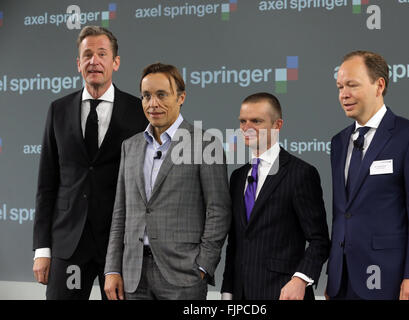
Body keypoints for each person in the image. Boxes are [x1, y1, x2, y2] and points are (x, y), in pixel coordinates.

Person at [32, 26, 148, 300]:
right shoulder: (58, 110)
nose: (93, 61)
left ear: (115, 62)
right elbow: (46, 184)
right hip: (68, 244)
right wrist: (42, 249)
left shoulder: (139, 111)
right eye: (87, 55)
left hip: (118, 246)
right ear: (78, 63)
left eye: (101, 54)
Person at [103, 63, 232, 300]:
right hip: (133, 276)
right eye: (146, 96)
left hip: (184, 277)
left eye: (161, 95)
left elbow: (218, 210)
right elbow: (120, 213)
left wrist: (203, 266)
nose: (153, 103)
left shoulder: (205, 144)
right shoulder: (129, 147)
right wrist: (112, 268)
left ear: (181, 97)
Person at [326, 50, 409, 300]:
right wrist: (333, 275)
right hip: (342, 281)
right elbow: (342, 213)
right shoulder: (339, 142)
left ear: (379, 85)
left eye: (352, 85)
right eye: (340, 86)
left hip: (388, 279)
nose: (343, 94)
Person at [221, 92, 330, 300]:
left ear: (277, 125)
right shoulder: (237, 177)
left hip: (284, 293)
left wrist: (300, 280)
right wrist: (227, 292)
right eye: (243, 121)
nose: (247, 128)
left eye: (256, 121)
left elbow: (319, 240)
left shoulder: (301, 173)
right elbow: (235, 243)